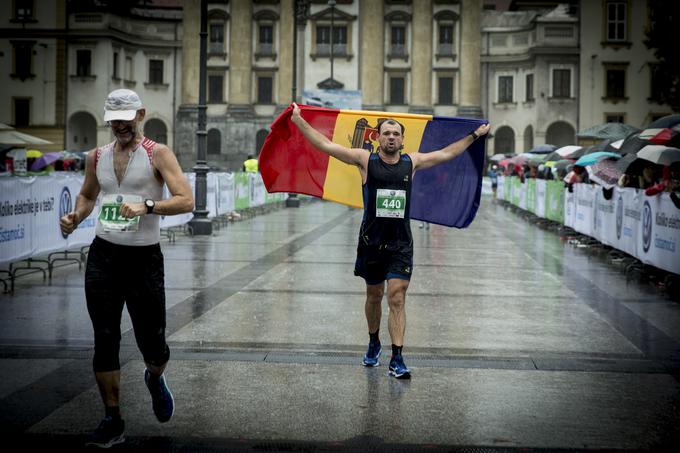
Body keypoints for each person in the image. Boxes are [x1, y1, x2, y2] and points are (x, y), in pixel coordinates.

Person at [290, 102, 490, 379]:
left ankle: (397, 357)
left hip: (400, 243)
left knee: (397, 297)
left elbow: (446, 153)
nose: (391, 137)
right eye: (386, 133)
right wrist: (299, 121)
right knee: (374, 296)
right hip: (371, 242)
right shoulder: (365, 160)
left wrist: (474, 136)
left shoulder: (412, 161)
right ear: (378, 137)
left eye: (396, 133)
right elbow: (326, 145)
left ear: (402, 139)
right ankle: (374, 342)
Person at [59, 89, 194, 448]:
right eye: (114, 120)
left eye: (126, 118)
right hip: (104, 256)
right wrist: (76, 215)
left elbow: (187, 200)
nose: (120, 125)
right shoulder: (96, 156)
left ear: (141, 115)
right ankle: (112, 419)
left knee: (153, 345)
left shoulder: (158, 153)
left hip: (143, 260)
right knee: (105, 338)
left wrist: (147, 205)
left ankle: (154, 377)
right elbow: (88, 195)